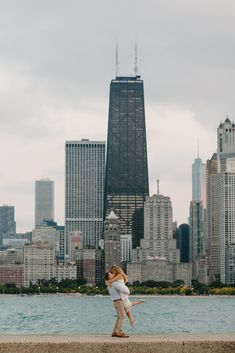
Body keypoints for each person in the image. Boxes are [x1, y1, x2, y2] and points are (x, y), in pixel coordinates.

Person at [105, 270, 130, 338]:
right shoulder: (115, 284)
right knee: (122, 316)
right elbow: (125, 290)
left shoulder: (109, 285)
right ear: (109, 277)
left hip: (115, 302)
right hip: (119, 302)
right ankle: (120, 332)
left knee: (119, 317)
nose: (113, 274)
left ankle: (114, 332)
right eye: (111, 274)